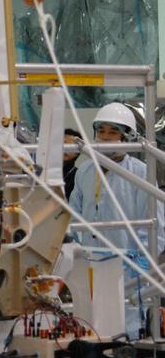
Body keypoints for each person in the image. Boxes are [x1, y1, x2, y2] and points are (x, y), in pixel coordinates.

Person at [69, 103, 164, 256]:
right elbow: (73, 215)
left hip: (129, 265)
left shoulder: (141, 173)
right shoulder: (85, 171)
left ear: (127, 137)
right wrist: (74, 247)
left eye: (113, 132)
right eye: (101, 131)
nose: (105, 137)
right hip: (90, 259)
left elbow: (154, 224)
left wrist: (143, 260)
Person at [62, 127, 83, 200]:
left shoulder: (79, 176)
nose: (64, 149)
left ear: (77, 153)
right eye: (63, 143)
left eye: (69, 146)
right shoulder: (44, 171)